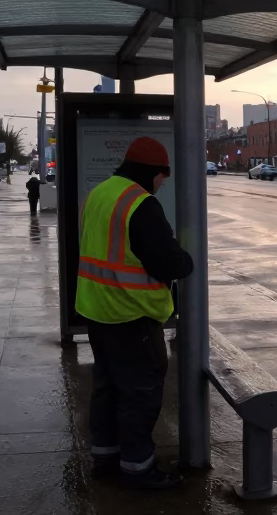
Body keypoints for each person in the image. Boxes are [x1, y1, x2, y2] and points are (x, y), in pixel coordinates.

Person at [76, 137, 193, 490]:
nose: (163, 183)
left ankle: (105, 457)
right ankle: (138, 469)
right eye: (162, 176)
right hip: (131, 314)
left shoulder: (100, 194)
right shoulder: (140, 204)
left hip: (96, 309)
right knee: (139, 393)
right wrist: (186, 259)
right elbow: (168, 262)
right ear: (150, 171)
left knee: (107, 387)